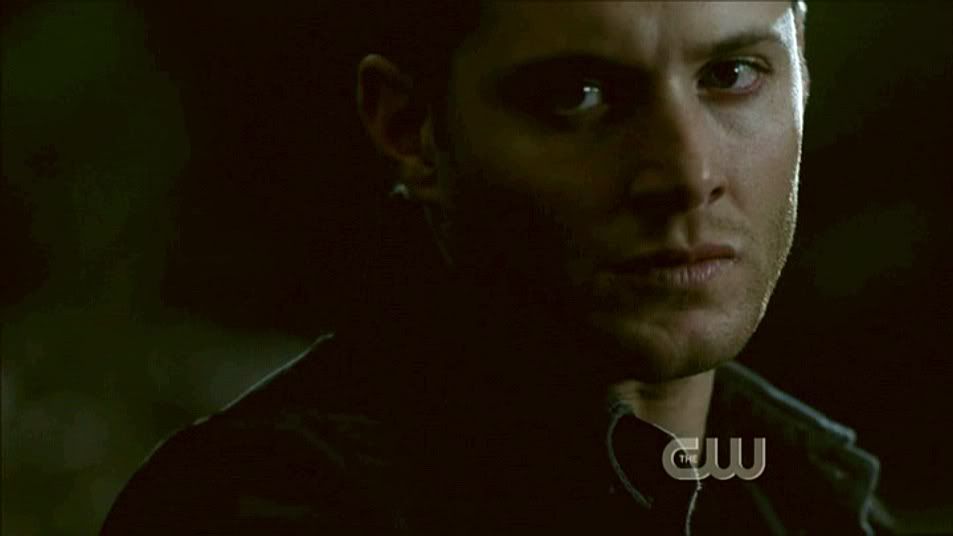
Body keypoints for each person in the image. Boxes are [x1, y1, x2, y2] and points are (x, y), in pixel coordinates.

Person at [103, 2, 889, 534]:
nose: (686, 173)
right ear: (409, 128)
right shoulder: (263, 506)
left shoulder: (810, 496)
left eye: (730, 75)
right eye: (577, 95)